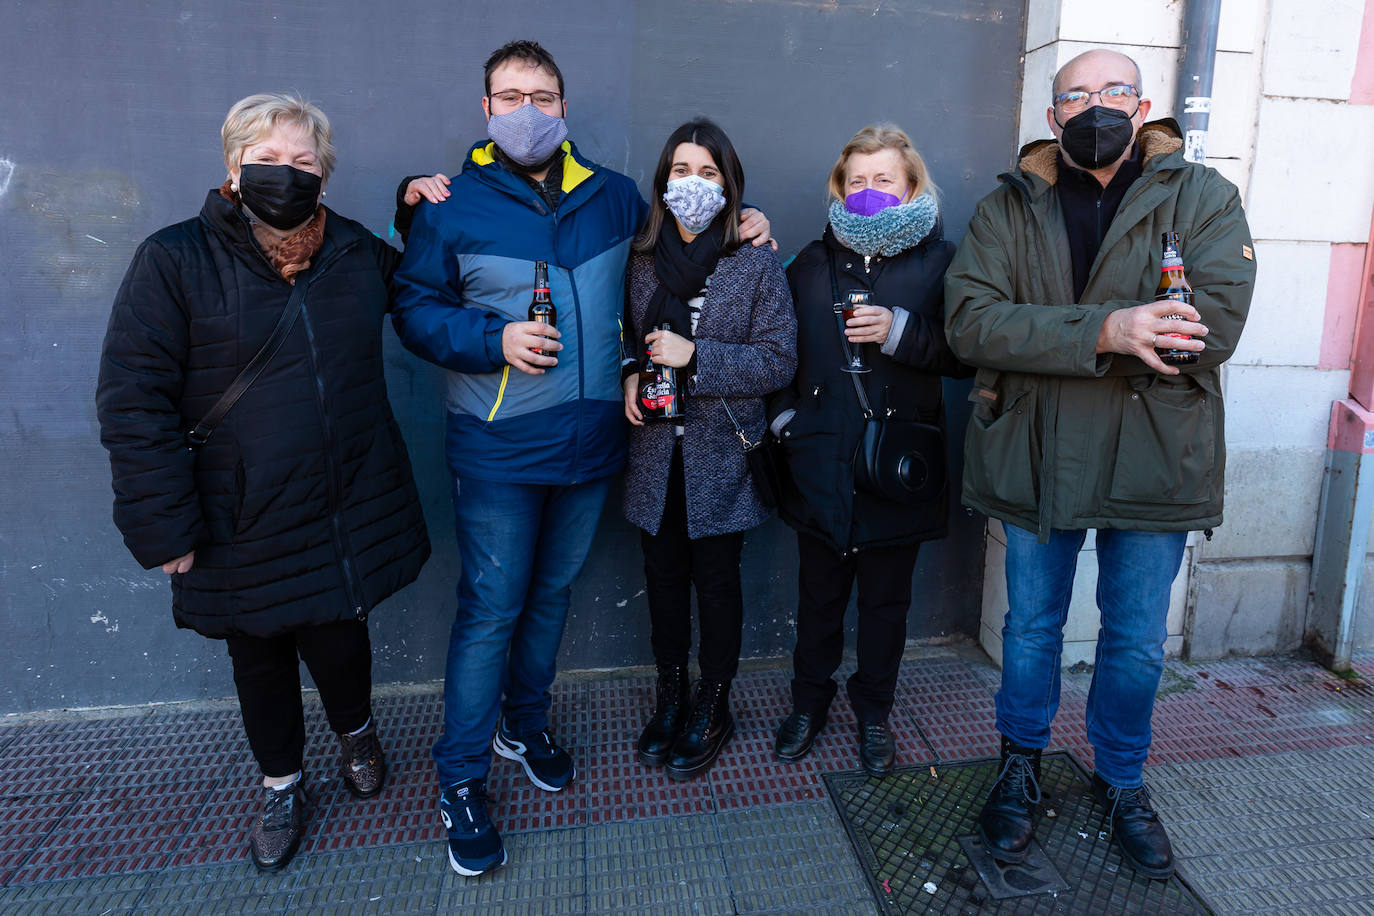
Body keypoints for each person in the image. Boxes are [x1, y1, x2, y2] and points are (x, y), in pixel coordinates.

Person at [389, 40, 773, 878]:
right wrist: (491, 338)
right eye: (510, 94)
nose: (527, 108)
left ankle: (523, 723)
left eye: (543, 94)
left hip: (596, 445)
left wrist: (748, 222)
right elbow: (414, 310)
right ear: (486, 107)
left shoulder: (614, 199)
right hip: (498, 446)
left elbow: (658, 284)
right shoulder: (449, 204)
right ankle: (460, 780)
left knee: (553, 595)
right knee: (492, 608)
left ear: (564, 105)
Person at [95, 92, 442, 872]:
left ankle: (358, 734)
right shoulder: (173, 258)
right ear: (233, 166)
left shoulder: (354, 251)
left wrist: (414, 211)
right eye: (268, 159)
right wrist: (162, 528)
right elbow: (132, 398)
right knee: (258, 658)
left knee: (342, 638)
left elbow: (419, 277)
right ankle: (282, 782)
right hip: (236, 513)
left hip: (342, 500)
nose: (284, 173)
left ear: (324, 177)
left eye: (302, 162)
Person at [944, 50, 1255, 879]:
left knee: (1135, 643)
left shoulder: (1202, 198)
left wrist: (1058, 334)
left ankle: (1121, 780)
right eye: (1075, 95)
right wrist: (1110, 332)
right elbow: (972, 322)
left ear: (1143, 103)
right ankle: (1021, 766)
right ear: (1052, 118)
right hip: (1036, 450)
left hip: (1154, 454)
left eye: (1114, 90)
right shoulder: (1008, 206)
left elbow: (1210, 325)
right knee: (1032, 628)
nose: (1095, 106)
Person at [767, 124, 966, 778]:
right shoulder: (809, 263)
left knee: (885, 605)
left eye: (884, 179)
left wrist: (903, 332)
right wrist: (785, 421)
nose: (870, 191)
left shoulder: (945, 262)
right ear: (840, 187)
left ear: (911, 186)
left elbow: (972, 352)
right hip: (820, 460)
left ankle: (874, 715)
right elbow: (776, 354)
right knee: (818, 600)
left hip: (897, 466)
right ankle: (808, 705)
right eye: (857, 180)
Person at [622, 120, 796, 781]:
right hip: (654, 454)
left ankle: (713, 705)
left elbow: (778, 359)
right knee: (663, 585)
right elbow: (621, 333)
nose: (692, 184)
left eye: (708, 173)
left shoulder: (754, 263)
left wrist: (700, 358)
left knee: (717, 588)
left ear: (730, 185)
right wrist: (629, 375)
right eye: (682, 170)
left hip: (724, 455)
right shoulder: (641, 260)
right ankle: (671, 699)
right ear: (664, 179)